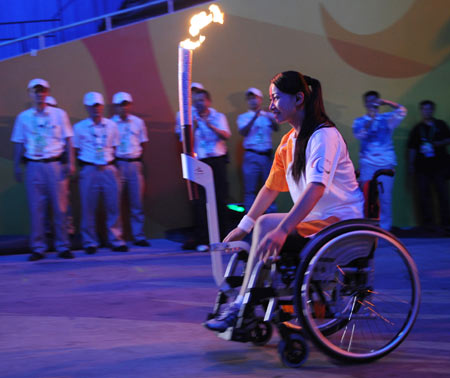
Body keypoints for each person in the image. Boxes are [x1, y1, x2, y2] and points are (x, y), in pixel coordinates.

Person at [204, 71, 364, 332]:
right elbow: (270, 188)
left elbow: (315, 189)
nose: (271, 106)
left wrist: (283, 229)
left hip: (340, 221)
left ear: (299, 98)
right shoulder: (288, 142)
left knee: (269, 225)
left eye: (276, 98)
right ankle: (246, 303)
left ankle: (243, 306)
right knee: (262, 226)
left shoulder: (324, 136)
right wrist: (243, 227)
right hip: (315, 220)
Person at [11, 78, 74, 261]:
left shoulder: (59, 114)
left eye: (43, 91)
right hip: (33, 165)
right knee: (36, 208)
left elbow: (68, 139)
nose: (40, 94)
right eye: (36, 91)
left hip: (54, 165)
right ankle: (38, 247)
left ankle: (63, 246)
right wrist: (16, 165)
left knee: (60, 207)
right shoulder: (23, 117)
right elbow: (19, 143)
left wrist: (69, 162)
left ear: (47, 92)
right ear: (30, 93)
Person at [176, 87, 232, 251]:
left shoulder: (218, 116)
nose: (199, 104)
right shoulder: (189, 119)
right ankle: (203, 239)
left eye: (202, 100)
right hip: (200, 162)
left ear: (208, 101)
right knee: (200, 202)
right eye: (197, 101)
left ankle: (223, 237)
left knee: (220, 199)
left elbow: (226, 135)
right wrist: (193, 126)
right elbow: (184, 141)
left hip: (218, 160)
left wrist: (209, 125)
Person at [73, 92, 127, 254]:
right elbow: (75, 149)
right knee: (88, 207)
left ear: (102, 106)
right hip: (89, 169)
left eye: (98, 105)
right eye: (92, 106)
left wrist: (108, 162)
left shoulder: (111, 125)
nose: (96, 109)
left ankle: (116, 239)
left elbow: (115, 147)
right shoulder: (79, 127)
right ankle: (90, 242)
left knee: (113, 205)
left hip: (109, 168)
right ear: (86, 108)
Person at [352, 91, 407, 230]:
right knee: (366, 197)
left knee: (385, 197)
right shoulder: (359, 121)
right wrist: (371, 119)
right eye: (369, 101)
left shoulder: (387, 119)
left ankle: (384, 228)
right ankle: (366, 226)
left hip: (386, 163)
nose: (372, 103)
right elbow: (359, 135)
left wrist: (388, 103)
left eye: (374, 100)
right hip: (368, 164)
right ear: (365, 103)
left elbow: (402, 111)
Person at [112, 91, 150, 246]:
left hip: (134, 163)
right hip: (117, 164)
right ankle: (117, 236)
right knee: (115, 202)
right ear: (116, 107)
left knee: (137, 202)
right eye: (121, 105)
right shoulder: (110, 123)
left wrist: (137, 158)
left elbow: (143, 143)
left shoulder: (138, 122)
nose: (124, 108)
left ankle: (138, 235)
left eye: (127, 104)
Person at [407, 100, 450, 232]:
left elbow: (449, 138)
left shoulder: (440, 125)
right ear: (421, 111)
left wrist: (439, 143)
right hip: (422, 168)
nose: (427, 111)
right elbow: (412, 148)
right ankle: (428, 224)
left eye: (429, 109)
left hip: (440, 166)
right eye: (424, 109)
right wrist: (411, 165)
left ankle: (446, 223)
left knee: (442, 195)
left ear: (433, 110)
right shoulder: (417, 129)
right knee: (424, 196)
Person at [237, 87, 279, 213]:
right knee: (250, 190)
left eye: (255, 98)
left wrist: (269, 116)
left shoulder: (268, 116)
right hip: (251, 156)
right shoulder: (243, 117)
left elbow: (276, 128)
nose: (252, 101)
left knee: (270, 188)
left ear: (260, 99)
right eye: (250, 98)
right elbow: (243, 132)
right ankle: (249, 223)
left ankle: (271, 218)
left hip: (266, 156)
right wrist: (255, 116)